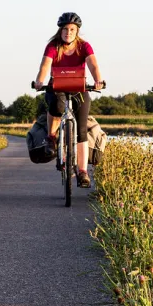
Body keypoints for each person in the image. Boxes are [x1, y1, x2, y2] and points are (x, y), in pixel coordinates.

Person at [33, 12, 103, 188]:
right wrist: (40, 81)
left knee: (81, 130)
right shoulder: (53, 46)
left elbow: (93, 64)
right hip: (56, 87)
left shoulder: (84, 46)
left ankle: (82, 172)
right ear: (60, 30)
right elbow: (45, 65)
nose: (68, 32)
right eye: (65, 29)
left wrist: (98, 81)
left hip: (79, 88)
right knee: (56, 106)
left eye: (72, 29)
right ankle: (51, 137)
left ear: (77, 31)